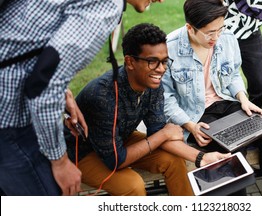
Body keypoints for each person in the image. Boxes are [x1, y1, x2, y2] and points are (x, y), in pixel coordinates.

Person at [0, 0, 188, 196]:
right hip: (9, 117)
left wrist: (65, 93)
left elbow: (32, 41)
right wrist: (60, 161)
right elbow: (43, 86)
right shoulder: (106, 0)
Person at [64, 23, 230, 196]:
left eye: (165, 61)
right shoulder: (103, 95)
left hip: (120, 139)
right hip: (83, 153)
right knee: (133, 184)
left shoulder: (152, 84)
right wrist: (165, 134)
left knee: (174, 160)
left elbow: (157, 130)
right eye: (152, 62)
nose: (161, 69)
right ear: (130, 62)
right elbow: (116, 160)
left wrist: (201, 158)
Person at [162, 0, 262, 195]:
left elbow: (233, 74)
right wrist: (191, 126)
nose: (217, 37)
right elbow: (166, 98)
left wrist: (243, 99)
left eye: (220, 29)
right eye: (210, 33)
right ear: (190, 29)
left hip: (227, 103)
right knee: (232, 149)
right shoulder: (170, 47)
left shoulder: (227, 37)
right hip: (197, 114)